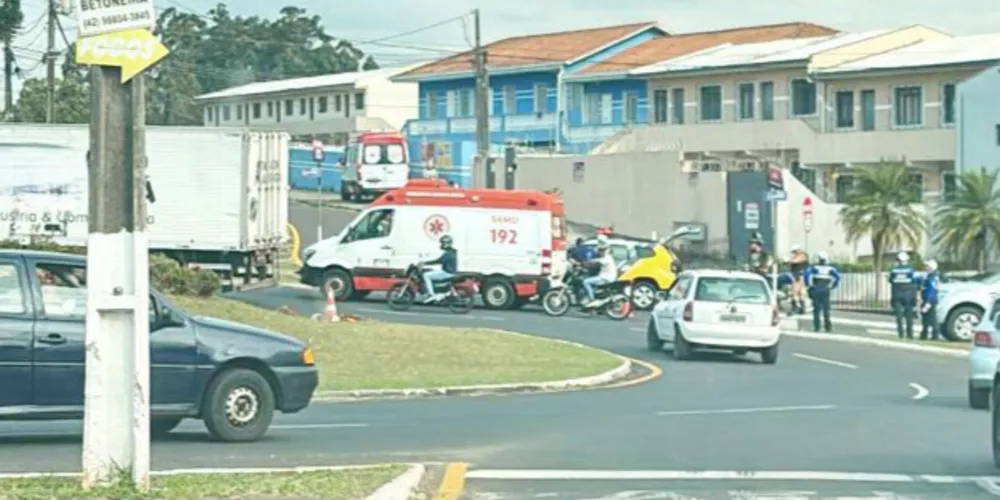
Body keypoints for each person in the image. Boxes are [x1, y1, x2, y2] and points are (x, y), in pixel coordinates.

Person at [804, 251, 839, 332]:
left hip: (816, 289)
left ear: (819, 259)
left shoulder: (814, 268)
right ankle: (828, 327)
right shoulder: (830, 269)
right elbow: (838, 278)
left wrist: (809, 285)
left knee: (816, 309)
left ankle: (817, 327)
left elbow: (806, 275)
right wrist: (833, 286)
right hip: (826, 290)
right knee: (826, 309)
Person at [888, 251, 919, 339]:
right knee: (909, 317)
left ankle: (901, 334)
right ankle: (910, 334)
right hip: (909, 296)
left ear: (898, 260)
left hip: (897, 295)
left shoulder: (894, 270)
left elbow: (891, 281)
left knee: (899, 317)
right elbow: (915, 282)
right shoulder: (911, 270)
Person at [422, 234, 458, 303]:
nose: (441, 245)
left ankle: (431, 294)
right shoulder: (452, 251)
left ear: (446, 244)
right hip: (449, 272)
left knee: (426, 275)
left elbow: (438, 261)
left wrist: (425, 263)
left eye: (442, 243)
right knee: (432, 272)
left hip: (447, 273)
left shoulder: (448, 253)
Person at [582, 242, 618, 307]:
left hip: (606, 278)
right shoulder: (606, 257)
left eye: (601, 251)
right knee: (591, 281)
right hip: (605, 277)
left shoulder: (607, 258)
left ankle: (592, 299)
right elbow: (596, 264)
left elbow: (597, 261)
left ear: (605, 251)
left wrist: (588, 261)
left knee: (585, 282)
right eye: (600, 250)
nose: (599, 252)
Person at [920, 259, 941, 340]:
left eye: (927, 266)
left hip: (930, 301)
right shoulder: (931, 276)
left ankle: (934, 336)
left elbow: (931, 291)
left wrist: (928, 303)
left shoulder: (932, 278)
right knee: (926, 319)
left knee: (931, 319)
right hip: (929, 300)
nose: (925, 268)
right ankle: (925, 335)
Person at [787, 244, 810, 314]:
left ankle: (800, 308)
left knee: (799, 292)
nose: (793, 253)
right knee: (795, 292)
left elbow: (796, 261)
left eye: (794, 252)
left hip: (800, 276)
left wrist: (789, 260)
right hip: (795, 275)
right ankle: (797, 307)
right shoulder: (795, 256)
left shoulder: (803, 255)